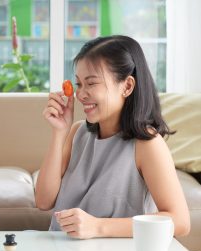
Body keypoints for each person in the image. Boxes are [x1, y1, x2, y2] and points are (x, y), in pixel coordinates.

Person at [35, 35, 190, 239]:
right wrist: (59, 132)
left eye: (91, 84)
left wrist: (98, 227)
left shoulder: (147, 144)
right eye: (79, 84)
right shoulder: (77, 132)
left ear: (127, 86)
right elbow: (43, 202)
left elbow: (180, 221)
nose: (81, 94)